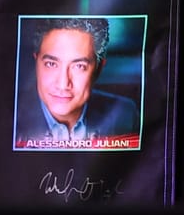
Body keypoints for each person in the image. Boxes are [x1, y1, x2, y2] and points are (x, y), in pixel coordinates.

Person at [14, 18, 140, 146]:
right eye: (51, 64)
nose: (63, 84)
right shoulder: (8, 117)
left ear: (99, 68)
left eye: (79, 66)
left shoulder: (124, 114)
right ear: (36, 63)